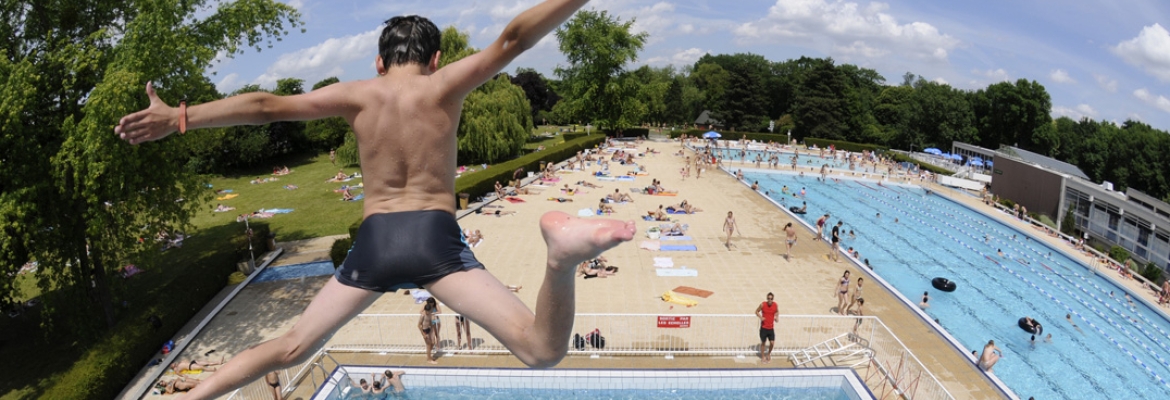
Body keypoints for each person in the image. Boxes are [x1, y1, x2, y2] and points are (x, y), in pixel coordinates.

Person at [115, 5, 639, 396]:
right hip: (436, 243)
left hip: (375, 244)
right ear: (435, 59)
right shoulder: (443, 86)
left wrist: (180, 118)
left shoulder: (357, 94)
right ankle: (561, 257)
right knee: (541, 350)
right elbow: (512, 40)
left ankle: (201, 393)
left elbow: (263, 106)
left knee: (294, 345)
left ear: (378, 61)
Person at [755, 292, 778, 364]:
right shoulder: (763, 305)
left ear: (773, 299)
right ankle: (763, 357)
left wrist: (776, 317)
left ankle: (768, 354)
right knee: (763, 343)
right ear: (767, 298)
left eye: (771, 299)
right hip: (764, 328)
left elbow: (777, 311)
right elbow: (756, 311)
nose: (770, 300)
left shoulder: (775, 305)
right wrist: (761, 317)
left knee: (772, 343)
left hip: (771, 328)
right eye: (768, 298)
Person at [419, 298, 440, 364]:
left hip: (430, 329)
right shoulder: (423, 315)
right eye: (428, 311)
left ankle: (429, 356)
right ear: (426, 310)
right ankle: (429, 359)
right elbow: (419, 325)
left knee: (433, 342)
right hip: (425, 330)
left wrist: (432, 327)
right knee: (428, 345)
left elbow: (431, 321)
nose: (429, 312)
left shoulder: (430, 313)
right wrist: (423, 334)